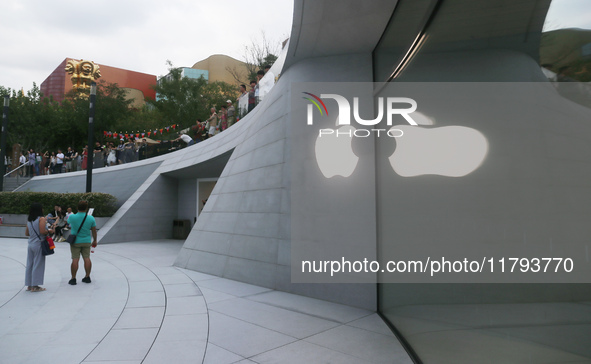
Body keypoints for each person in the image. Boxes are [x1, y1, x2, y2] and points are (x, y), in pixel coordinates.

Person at [24, 203, 53, 292]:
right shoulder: (41, 219)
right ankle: (35, 286)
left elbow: (27, 233)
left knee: (30, 264)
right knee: (38, 264)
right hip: (39, 244)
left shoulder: (29, 220)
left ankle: (29, 285)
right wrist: (49, 230)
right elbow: (42, 231)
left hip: (31, 244)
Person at [67, 200, 97, 285]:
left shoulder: (72, 217)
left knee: (75, 259)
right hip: (86, 241)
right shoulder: (91, 218)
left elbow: (67, 223)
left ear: (77, 208)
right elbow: (94, 231)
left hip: (75, 242)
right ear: (86, 208)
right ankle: (87, 277)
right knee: (87, 258)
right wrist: (94, 240)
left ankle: (73, 279)